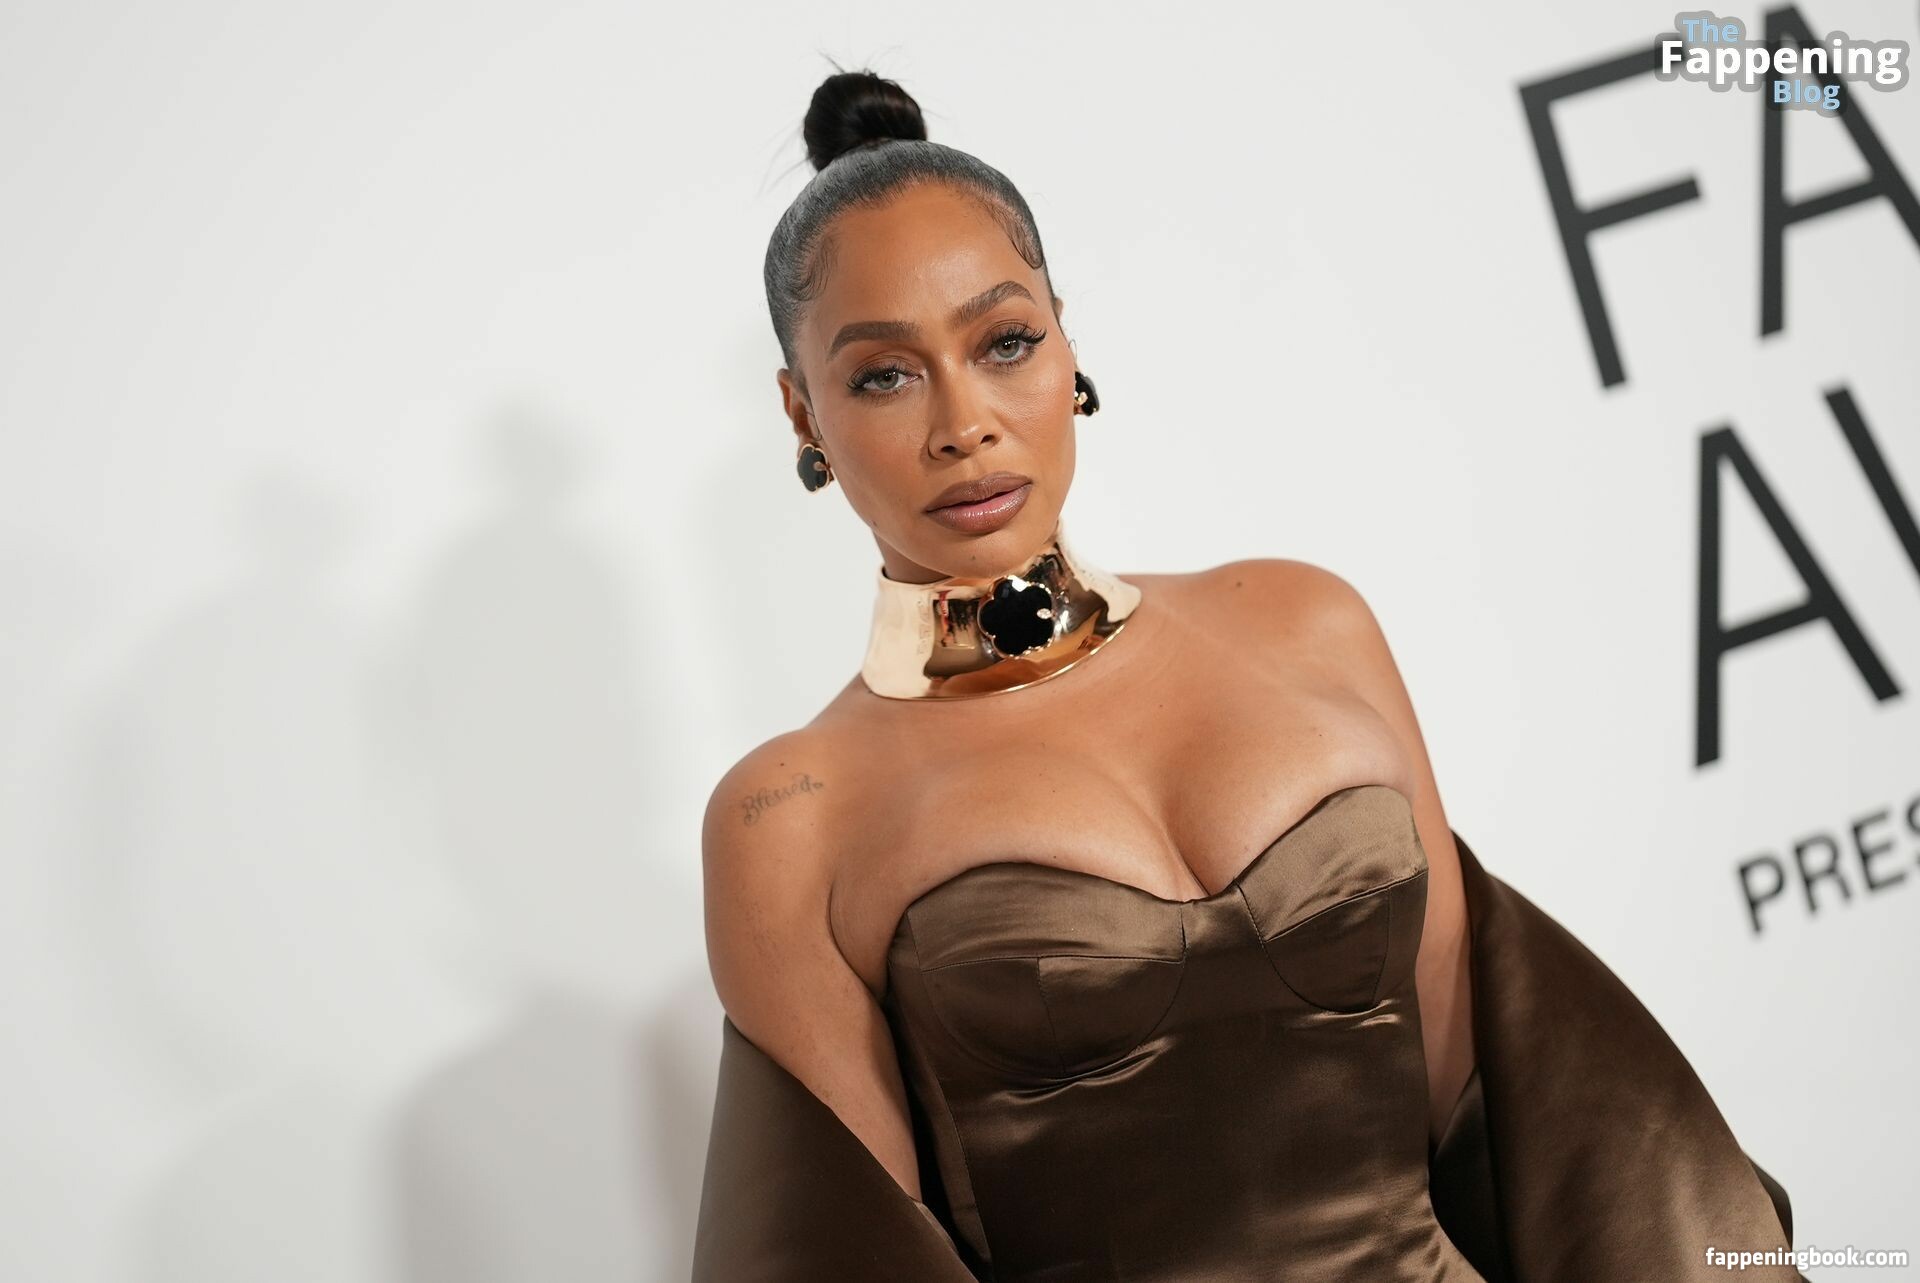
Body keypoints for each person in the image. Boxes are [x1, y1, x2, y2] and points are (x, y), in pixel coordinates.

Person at [692, 68, 1802, 1282]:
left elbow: (1491, 1116)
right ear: (804, 416)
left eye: (1005, 342)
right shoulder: (788, 819)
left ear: (1068, 346)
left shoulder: (1306, 623)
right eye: (884, 375)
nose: (965, 422)